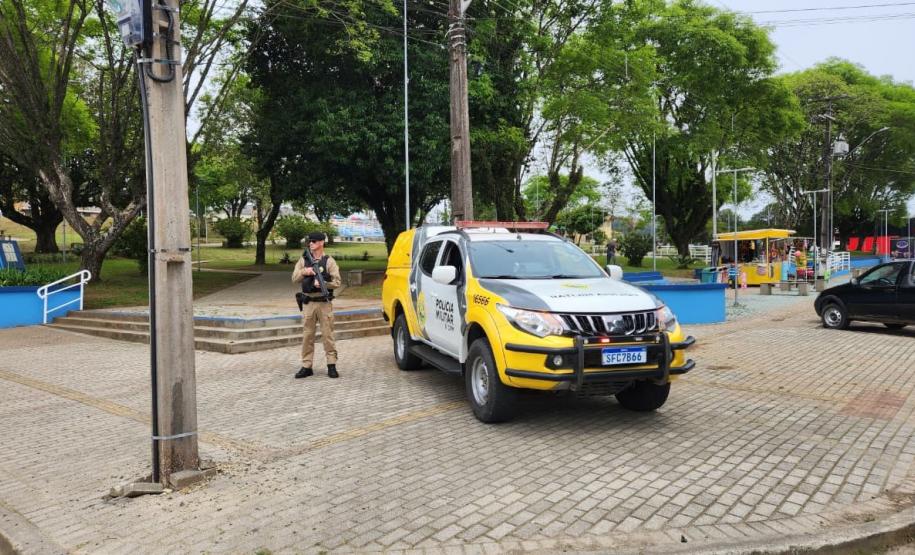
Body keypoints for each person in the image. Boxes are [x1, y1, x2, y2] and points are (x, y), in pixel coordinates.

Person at [292, 231, 342, 379]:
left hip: (324, 303)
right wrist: (305, 271)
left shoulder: (329, 261)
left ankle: (331, 365)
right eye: (310, 241)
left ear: (321, 243)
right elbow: (294, 278)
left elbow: (337, 282)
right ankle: (307, 366)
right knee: (307, 336)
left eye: (313, 241)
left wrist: (323, 284)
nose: (311, 244)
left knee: (328, 335)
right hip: (308, 303)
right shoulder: (303, 260)